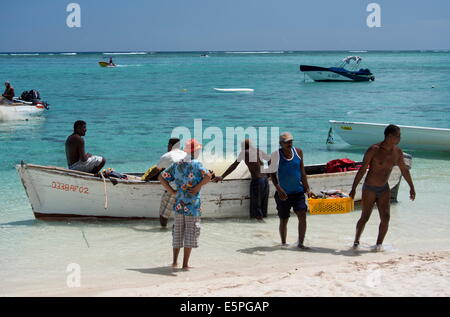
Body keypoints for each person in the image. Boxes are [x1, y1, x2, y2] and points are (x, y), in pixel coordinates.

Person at [349, 124, 415, 251]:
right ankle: (356, 242)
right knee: (365, 217)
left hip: (384, 188)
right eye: (398, 135)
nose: (400, 138)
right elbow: (362, 170)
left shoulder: (397, 152)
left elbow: (404, 171)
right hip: (369, 188)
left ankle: (378, 245)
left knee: (386, 217)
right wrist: (353, 189)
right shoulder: (374, 149)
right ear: (390, 136)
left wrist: (412, 187)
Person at [158, 139, 212, 270]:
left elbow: (161, 177)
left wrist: (172, 191)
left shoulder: (178, 164)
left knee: (177, 232)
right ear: (196, 151)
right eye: (199, 149)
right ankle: (185, 265)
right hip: (192, 205)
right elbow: (208, 176)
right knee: (190, 232)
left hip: (179, 204)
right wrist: (198, 187)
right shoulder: (197, 164)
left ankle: (174, 262)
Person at [269, 132, 312, 249]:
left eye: (291, 141)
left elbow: (302, 172)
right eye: (287, 142)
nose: (289, 144)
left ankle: (301, 243)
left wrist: (307, 189)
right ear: (280, 144)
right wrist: (278, 189)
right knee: (284, 219)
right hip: (283, 194)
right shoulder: (275, 155)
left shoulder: (298, 152)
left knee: (302, 214)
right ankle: (283, 243)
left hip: (298, 191)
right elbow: (272, 174)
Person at [212, 139, 270, 220]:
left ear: (244, 146)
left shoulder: (244, 152)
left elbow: (234, 165)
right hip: (265, 180)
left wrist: (222, 176)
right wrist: (269, 174)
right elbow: (270, 159)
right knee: (263, 208)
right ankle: (264, 227)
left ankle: (259, 226)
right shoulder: (258, 150)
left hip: (257, 181)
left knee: (256, 208)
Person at [157, 138, 187, 227]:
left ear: (170, 145)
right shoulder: (186, 155)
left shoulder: (166, 156)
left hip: (174, 187)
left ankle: (162, 231)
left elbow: (158, 169)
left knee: (163, 214)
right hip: (188, 186)